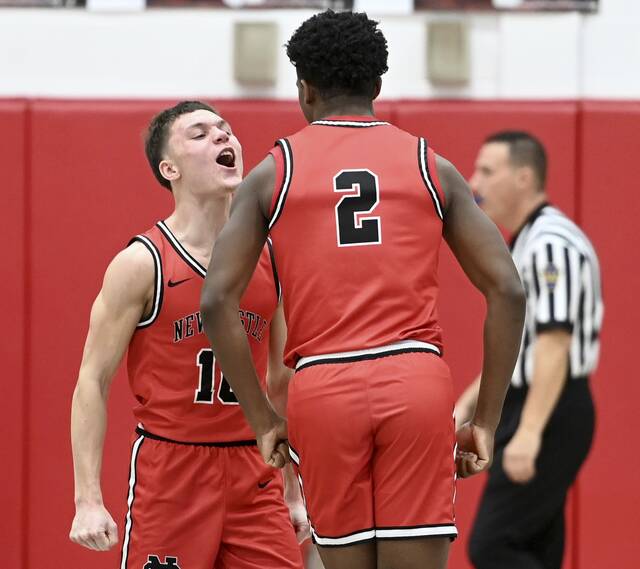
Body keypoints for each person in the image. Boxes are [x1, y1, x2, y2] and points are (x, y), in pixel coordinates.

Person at [200, 11, 526, 569]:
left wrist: (263, 421)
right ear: (377, 85)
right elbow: (508, 291)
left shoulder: (274, 171)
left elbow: (215, 300)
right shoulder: (431, 165)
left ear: (303, 88)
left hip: (324, 389)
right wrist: (487, 422)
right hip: (414, 381)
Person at [69, 100, 306, 569]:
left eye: (225, 129)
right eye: (199, 133)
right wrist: (87, 499)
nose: (222, 136)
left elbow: (282, 381)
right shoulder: (142, 263)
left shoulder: (273, 257)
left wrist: (294, 490)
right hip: (172, 469)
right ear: (169, 168)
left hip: (254, 468)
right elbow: (91, 381)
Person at [457, 131, 603, 569]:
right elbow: (521, 348)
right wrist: (465, 406)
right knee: (537, 544)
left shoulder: (549, 244)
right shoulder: (526, 241)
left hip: (550, 408)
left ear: (523, 177)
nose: (473, 182)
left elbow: (554, 346)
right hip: (534, 403)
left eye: (486, 170)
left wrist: (530, 432)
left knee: (492, 545)